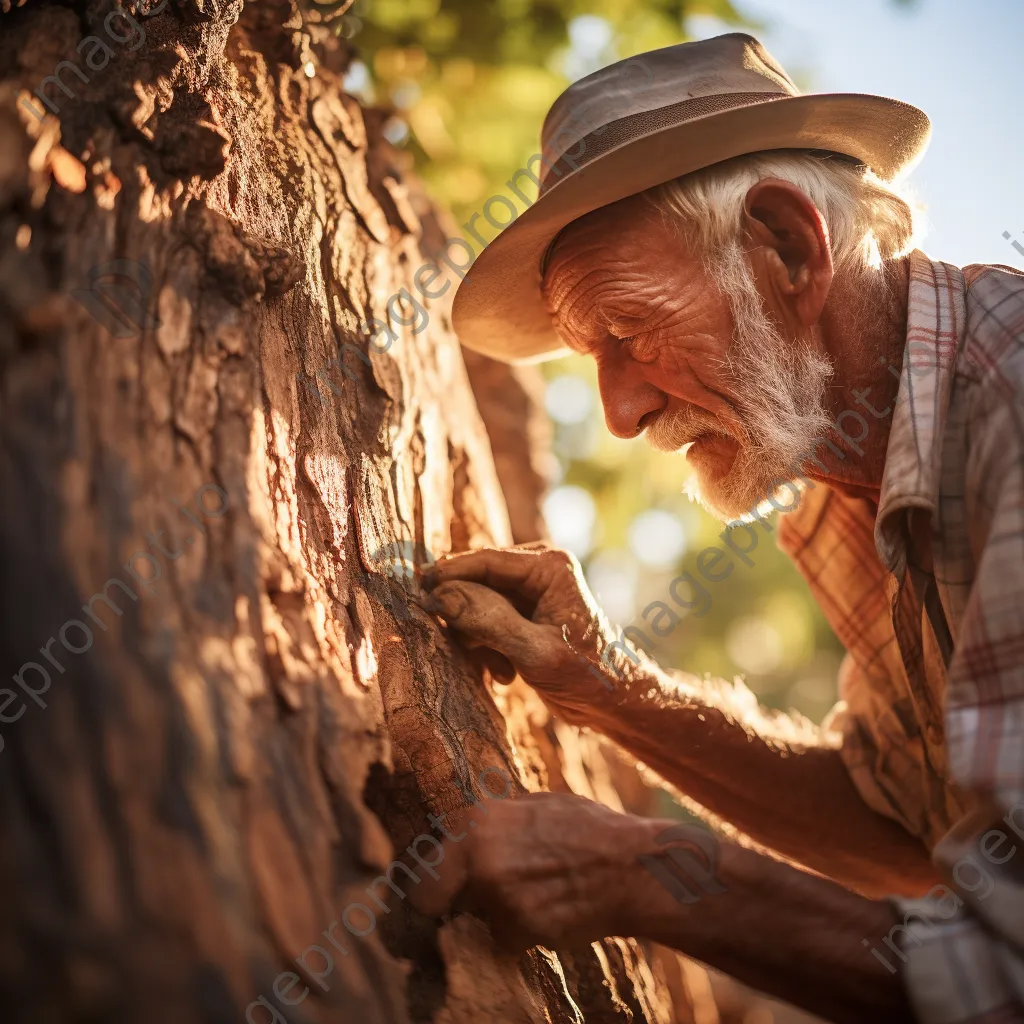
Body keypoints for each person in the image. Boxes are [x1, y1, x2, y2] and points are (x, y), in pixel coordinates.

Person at [409, 33, 1024, 1024]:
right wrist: (615, 689)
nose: (617, 412)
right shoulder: (852, 486)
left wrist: (650, 873)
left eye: (628, 330)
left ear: (785, 245)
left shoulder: (1010, 409)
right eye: (589, 355)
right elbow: (909, 833)